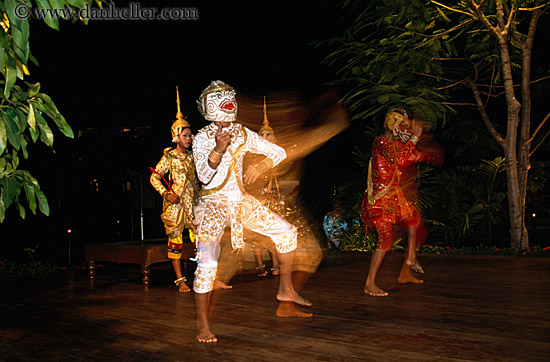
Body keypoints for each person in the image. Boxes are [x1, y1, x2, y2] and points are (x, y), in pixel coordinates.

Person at [192, 80, 310, 343]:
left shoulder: (242, 133)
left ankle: (286, 291)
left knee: (287, 232)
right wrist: (218, 150)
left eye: (230, 97)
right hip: (213, 204)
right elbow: (204, 176)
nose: (230, 102)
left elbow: (278, 152)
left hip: (241, 202)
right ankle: (202, 324)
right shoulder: (201, 138)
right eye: (223, 98)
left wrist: (263, 164)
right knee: (207, 264)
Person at [360, 108, 443, 297]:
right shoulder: (381, 142)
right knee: (386, 237)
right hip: (379, 199)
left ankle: (407, 268)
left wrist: (429, 155)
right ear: (392, 125)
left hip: (394, 196)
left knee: (414, 220)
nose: (406, 130)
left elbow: (408, 157)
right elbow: (400, 158)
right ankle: (369, 283)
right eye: (403, 125)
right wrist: (415, 139)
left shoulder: (395, 144)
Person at [150, 88, 199, 293]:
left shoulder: (194, 157)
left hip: (194, 204)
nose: (189, 138)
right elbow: (154, 177)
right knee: (176, 242)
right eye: (185, 135)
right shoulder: (169, 157)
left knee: (201, 241)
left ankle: (203, 275)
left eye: (190, 135)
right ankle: (180, 281)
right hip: (176, 205)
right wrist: (165, 193)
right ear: (177, 137)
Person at [244, 97, 281, 277]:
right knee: (257, 235)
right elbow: (249, 184)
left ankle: (276, 265)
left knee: (275, 233)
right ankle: (260, 266)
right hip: (259, 201)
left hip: (275, 201)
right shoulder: (255, 160)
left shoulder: (277, 158)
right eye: (268, 136)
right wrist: (262, 197)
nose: (273, 139)